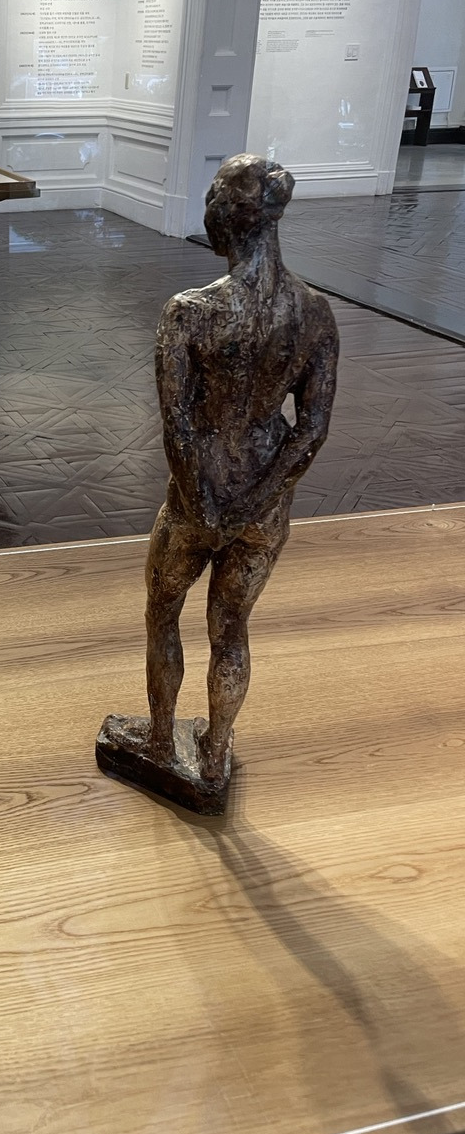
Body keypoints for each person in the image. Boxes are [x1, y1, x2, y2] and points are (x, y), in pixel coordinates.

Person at [144, 154, 338, 779]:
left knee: (162, 612)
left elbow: (178, 424)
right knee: (230, 628)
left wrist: (205, 508)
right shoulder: (314, 312)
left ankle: (158, 741)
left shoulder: (189, 312)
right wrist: (258, 504)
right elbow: (310, 430)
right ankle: (215, 752)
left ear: (225, 217)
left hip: (197, 495)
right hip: (263, 498)